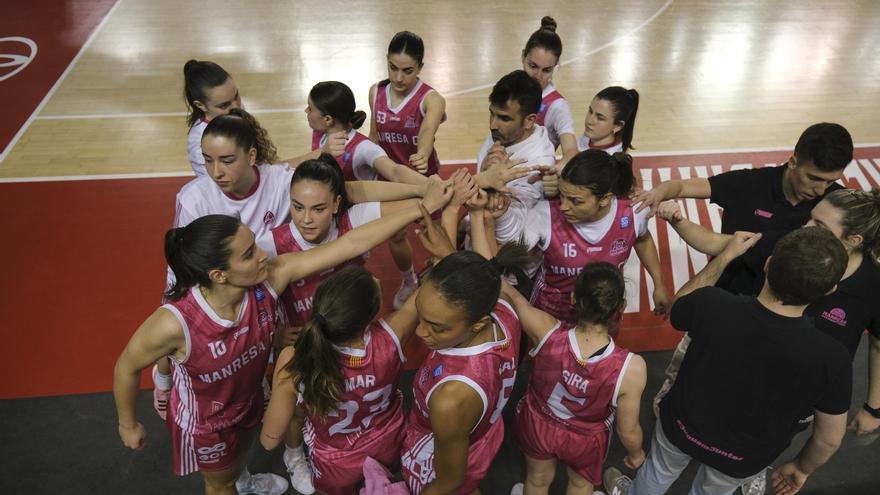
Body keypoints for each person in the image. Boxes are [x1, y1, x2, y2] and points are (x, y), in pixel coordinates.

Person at [114, 183, 452, 494]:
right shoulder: (174, 322)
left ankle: (244, 480)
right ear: (218, 275)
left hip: (250, 396)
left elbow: (350, 244)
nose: (262, 254)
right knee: (220, 484)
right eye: (249, 254)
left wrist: (422, 205)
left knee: (241, 456)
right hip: (208, 423)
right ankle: (235, 482)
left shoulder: (269, 279)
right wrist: (128, 424)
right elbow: (126, 366)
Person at [655, 190, 880, 494]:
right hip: (740, 414)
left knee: (669, 467)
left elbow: (878, 344)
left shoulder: (873, 287)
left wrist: (873, 407)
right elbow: (718, 242)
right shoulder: (791, 244)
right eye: (810, 218)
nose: (805, 228)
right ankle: (750, 467)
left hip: (778, 405)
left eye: (819, 225)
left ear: (853, 240)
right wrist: (678, 220)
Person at [604, 227, 852, 495]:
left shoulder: (713, 304)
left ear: (768, 264)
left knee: (657, 473)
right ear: (830, 290)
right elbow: (829, 438)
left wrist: (724, 256)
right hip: (744, 457)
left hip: (682, 427)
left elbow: (679, 309)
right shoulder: (833, 358)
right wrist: (802, 468)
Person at [399, 202, 530, 494]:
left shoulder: (451, 399)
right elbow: (481, 278)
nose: (420, 332)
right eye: (421, 316)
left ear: (477, 323)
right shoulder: (504, 310)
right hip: (481, 436)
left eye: (437, 327)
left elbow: (449, 481)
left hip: (441, 452)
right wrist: (447, 253)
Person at [632, 122, 854, 295]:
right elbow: (682, 187)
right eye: (814, 178)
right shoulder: (750, 183)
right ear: (793, 162)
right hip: (727, 295)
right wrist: (658, 193)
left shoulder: (838, 203)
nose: (821, 190)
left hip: (789, 307)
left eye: (830, 181)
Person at [260, 265, 421, 495]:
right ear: (370, 318)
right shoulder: (393, 335)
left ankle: (295, 461)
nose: (376, 277)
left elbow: (269, 441)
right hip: (388, 443)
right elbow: (423, 295)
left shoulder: (293, 359)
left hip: (335, 462)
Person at [504, 262, 646, 495]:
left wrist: (491, 268)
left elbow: (515, 298)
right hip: (585, 440)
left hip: (539, 424)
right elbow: (627, 430)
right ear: (621, 306)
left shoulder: (545, 330)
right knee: (580, 485)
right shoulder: (632, 368)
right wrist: (636, 453)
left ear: (573, 298)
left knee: (537, 480)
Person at [307, 80, 435, 308]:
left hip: (361, 208)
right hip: (334, 210)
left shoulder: (363, 148)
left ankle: (410, 281)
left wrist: (430, 186)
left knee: (396, 237)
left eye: (310, 108)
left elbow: (394, 170)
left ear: (328, 119)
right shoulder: (320, 134)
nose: (306, 111)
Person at [525, 150, 670, 329]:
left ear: (605, 199)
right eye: (562, 195)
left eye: (575, 201)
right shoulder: (542, 215)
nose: (563, 207)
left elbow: (642, 239)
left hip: (602, 317)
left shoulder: (634, 213)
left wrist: (659, 284)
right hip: (551, 317)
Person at [368, 31, 447, 309]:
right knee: (396, 234)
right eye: (393, 68)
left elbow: (428, 130)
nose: (398, 77)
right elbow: (374, 137)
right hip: (391, 182)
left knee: (434, 232)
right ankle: (410, 280)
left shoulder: (431, 99)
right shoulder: (376, 92)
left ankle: (442, 279)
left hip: (423, 179)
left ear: (420, 68)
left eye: (407, 71)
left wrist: (422, 153)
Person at [183, 60, 344, 177]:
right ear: (200, 105)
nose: (236, 106)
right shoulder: (201, 146)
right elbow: (265, 176)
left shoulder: (232, 113)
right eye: (224, 105)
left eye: (236, 96)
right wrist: (321, 153)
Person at [475, 69, 556, 243]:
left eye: (504, 118)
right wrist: (483, 174)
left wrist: (488, 187)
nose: (493, 125)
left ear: (529, 121)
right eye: (492, 113)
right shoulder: (504, 134)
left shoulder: (539, 163)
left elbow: (513, 227)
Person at [520, 16, 578, 165]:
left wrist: (554, 171)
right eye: (533, 66)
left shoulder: (557, 106)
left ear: (555, 66)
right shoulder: (512, 86)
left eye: (546, 70)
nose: (538, 76)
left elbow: (571, 152)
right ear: (523, 57)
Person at [577, 86, 639, 154]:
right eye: (590, 111)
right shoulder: (593, 134)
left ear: (618, 126)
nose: (589, 121)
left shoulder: (609, 158)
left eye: (600, 118)